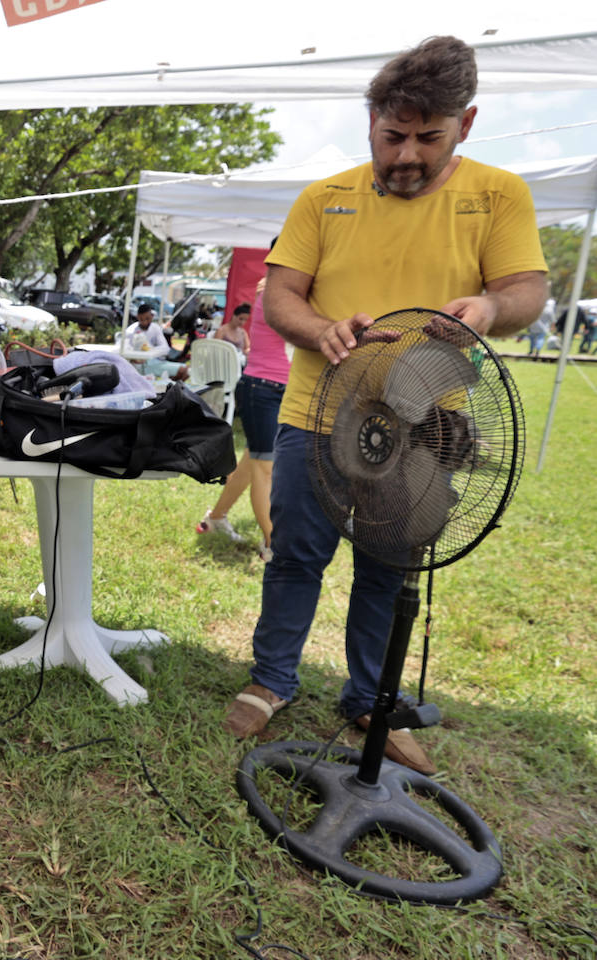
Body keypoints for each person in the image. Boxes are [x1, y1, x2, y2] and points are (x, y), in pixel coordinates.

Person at [221, 36, 548, 776]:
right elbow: (280, 297)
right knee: (296, 555)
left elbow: (528, 290)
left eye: (427, 138)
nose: (406, 155)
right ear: (369, 120)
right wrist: (319, 328)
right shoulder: (323, 198)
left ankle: (370, 697)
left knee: (389, 566)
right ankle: (272, 679)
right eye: (392, 136)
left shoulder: (499, 195)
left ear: (464, 124)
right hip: (316, 413)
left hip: (425, 424)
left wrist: (492, 306)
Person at [197, 275, 288, 561]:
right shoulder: (277, 289)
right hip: (263, 389)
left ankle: (215, 518)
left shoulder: (278, 286)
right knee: (265, 469)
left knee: (253, 463)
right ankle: (273, 545)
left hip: (277, 389)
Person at [124, 303, 189, 380]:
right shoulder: (130, 331)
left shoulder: (155, 328)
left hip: (154, 362)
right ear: (137, 317)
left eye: (147, 319)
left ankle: (170, 387)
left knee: (186, 370)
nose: (144, 322)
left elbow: (165, 348)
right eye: (141, 319)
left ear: (152, 316)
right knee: (184, 370)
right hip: (139, 365)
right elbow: (125, 351)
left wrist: (151, 351)